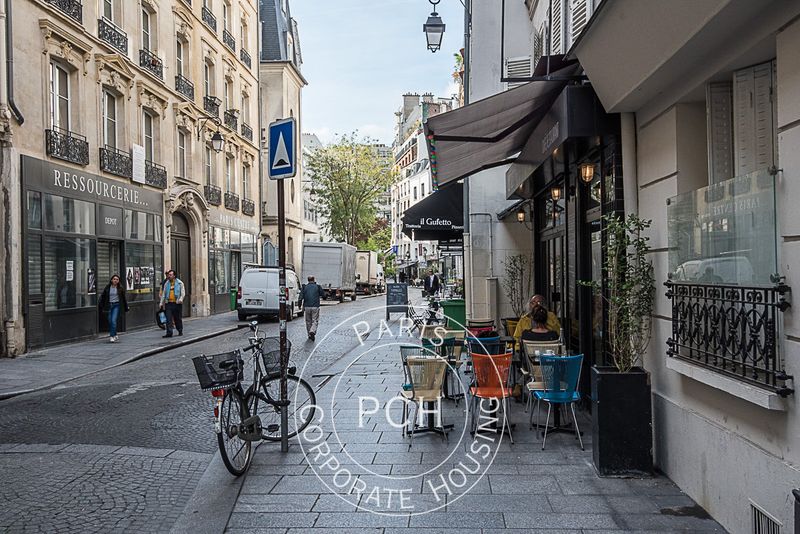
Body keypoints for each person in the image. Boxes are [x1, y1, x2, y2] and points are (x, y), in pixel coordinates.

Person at [99, 274, 129, 342]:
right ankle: (115, 334)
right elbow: (103, 296)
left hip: (116, 305)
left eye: (117, 279)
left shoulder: (120, 288)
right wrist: (101, 305)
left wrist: (126, 307)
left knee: (113, 321)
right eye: (114, 279)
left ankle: (112, 336)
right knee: (110, 321)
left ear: (118, 281)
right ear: (111, 280)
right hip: (109, 305)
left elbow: (124, 299)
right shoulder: (107, 287)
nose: (115, 280)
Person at [159, 269, 185, 338]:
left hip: (177, 303)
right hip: (168, 303)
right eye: (168, 275)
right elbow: (164, 294)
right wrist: (161, 302)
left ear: (174, 276)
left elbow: (183, 293)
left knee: (177, 318)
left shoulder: (180, 283)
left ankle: (180, 330)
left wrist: (181, 299)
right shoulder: (166, 284)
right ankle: (169, 333)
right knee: (168, 319)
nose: (169, 276)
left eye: (170, 275)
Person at [300, 275, 324, 341]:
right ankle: (312, 331)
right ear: (314, 280)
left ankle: (309, 334)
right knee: (315, 320)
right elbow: (323, 294)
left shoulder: (304, 287)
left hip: (307, 306)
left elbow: (300, 297)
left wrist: (299, 305)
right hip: (315, 306)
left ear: (308, 280)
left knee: (308, 321)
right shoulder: (317, 286)